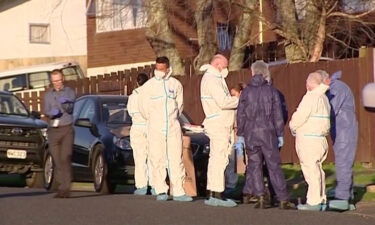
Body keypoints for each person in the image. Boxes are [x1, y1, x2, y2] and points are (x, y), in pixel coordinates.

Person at [236, 60, 294, 210]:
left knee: (254, 166)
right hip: (269, 133)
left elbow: (240, 115)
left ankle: (261, 197)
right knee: (274, 165)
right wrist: (280, 134)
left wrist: (240, 134)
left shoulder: (246, 92)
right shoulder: (272, 91)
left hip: (250, 133)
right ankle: (282, 199)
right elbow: (278, 115)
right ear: (266, 72)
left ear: (253, 72)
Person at [138, 56, 192, 202]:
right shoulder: (148, 87)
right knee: (157, 158)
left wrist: (172, 118)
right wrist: (154, 120)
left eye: (162, 69)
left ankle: (179, 191)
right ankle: (161, 189)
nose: (159, 72)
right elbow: (143, 108)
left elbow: (179, 106)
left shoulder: (175, 84)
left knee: (176, 159)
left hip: (172, 126)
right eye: (157, 69)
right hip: (155, 127)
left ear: (168, 68)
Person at [200, 54, 239, 207]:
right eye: (224, 66)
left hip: (218, 122)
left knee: (218, 158)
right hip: (218, 124)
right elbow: (223, 102)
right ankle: (216, 193)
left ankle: (214, 191)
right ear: (217, 64)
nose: (226, 69)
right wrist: (239, 99)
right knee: (219, 159)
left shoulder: (212, 79)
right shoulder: (213, 80)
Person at [289, 72, 331, 211]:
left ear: (310, 83)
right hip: (320, 139)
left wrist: (292, 126)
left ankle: (314, 201)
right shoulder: (324, 98)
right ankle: (321, 198)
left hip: (309, 139)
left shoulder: (311, 97)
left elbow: (300, 116)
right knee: (318, 170)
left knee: (310, 170)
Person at [319, 70, 358, 211]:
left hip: (345, 130)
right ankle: (347, 194)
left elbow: (331, 109)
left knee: (343, 163)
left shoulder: (337, 88)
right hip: (341, 129)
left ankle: (342, 197)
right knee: (344, 162)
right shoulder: (335, 87)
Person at [43, 69, 76, 198]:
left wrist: (65, 104)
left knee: (65, 157)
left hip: (66, 128)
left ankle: (65, 188)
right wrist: (51, 112)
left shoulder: (69, 92)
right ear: (51, 81)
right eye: (54, 81)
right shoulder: (48, 95)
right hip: (53, 130)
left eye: (59, 80)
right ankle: (61, 186)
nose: (57, 83)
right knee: (56, 159)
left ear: (63, 79)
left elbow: (71, 108)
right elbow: (46, 110)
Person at [128, 73, 155, 195]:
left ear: (137, 82)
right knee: (153, 157)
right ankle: (154, 185)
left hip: (138, 126)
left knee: (139, 158)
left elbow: (130, 112)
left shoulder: (133, 96)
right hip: (150, 126)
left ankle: (141, 186)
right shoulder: (151, 94)